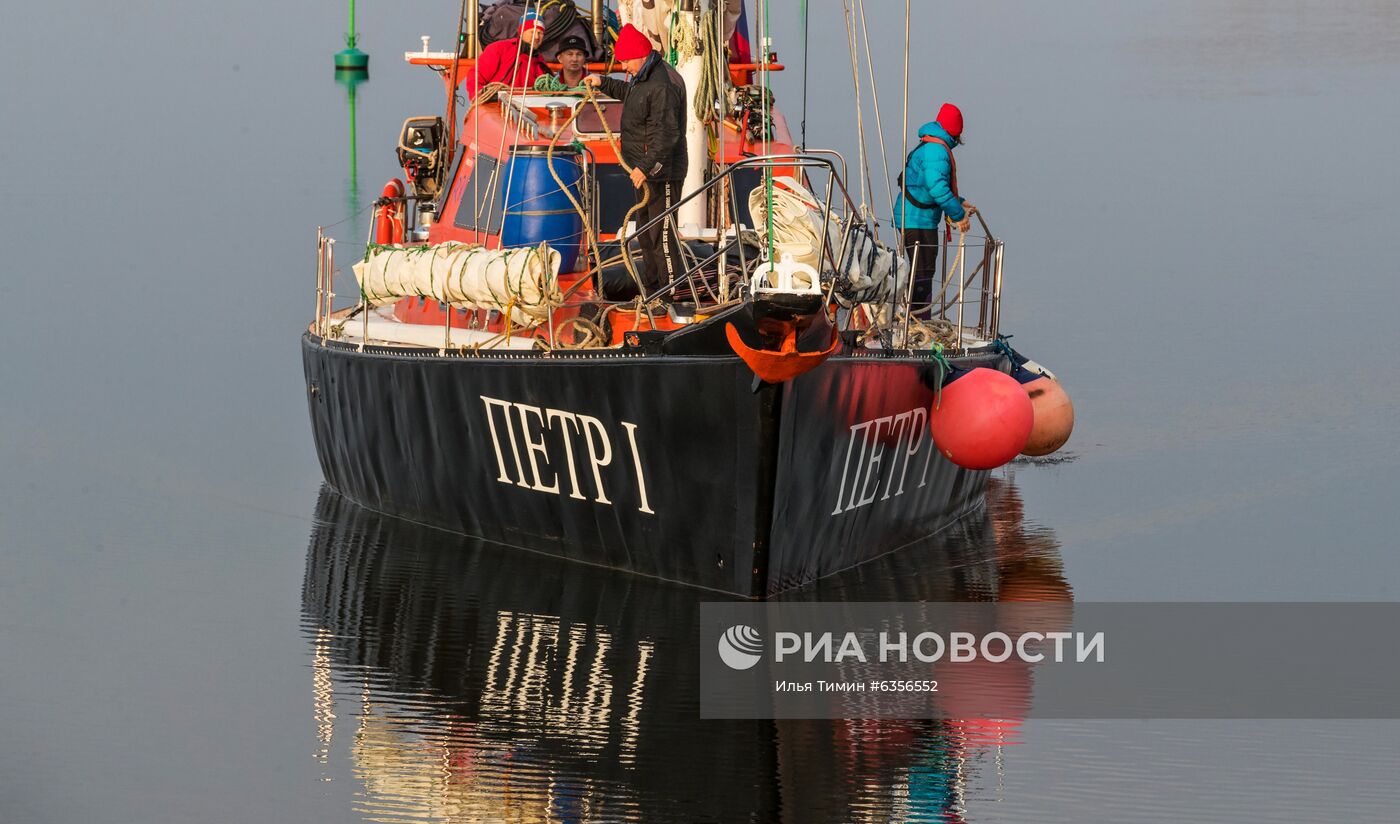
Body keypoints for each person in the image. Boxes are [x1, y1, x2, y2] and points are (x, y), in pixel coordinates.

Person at [582, 24, 688, 293]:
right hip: (644, 171)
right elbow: (632, 95)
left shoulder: (662, 85)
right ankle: (652, 292)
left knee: (662, 235)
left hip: (660, 172)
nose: (624, 66)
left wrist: (645, 167)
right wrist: (603, 82)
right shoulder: (645, 77)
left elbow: (667, 135)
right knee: (644, 233)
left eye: (626, 61)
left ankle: (671, 294)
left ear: (640, 56)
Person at [893, 103, 976, 306]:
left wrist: (960, 202)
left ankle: (916, 318)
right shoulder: (937, 151)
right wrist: (958, 216)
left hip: (914, 218)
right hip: (918, 221)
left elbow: (927, 185)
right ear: (956, 132)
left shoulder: (930, 145)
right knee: (923, 271)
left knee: (922, 270)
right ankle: (917, 321)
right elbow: (936, 187)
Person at [463, 12, 549, 98]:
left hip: (525, 108)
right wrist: (480, 96)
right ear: (522, 32)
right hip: (496, 106)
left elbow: (551, 87)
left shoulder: (540, 63)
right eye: (532, 32)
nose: (537, 37)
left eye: (540, 33)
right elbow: (475, 76)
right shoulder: (499, 49)